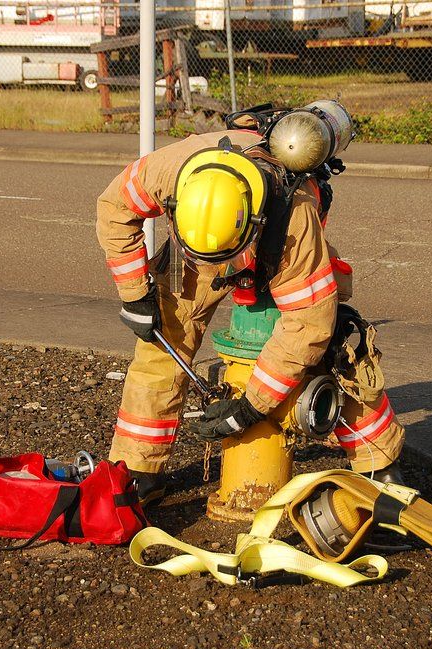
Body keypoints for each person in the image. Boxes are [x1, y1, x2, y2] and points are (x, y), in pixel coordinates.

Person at [96, 128, 405, 506]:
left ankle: (379, 464)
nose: (223, 271)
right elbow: (114, 208)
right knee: (162, 342)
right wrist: (136, 294)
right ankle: (138, 471)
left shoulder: (295, 220)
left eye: (227, 263)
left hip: (276, 247)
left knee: (334, 347)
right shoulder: (168, 172)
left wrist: (251, 406)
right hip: (194, 247)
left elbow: (308, 326)